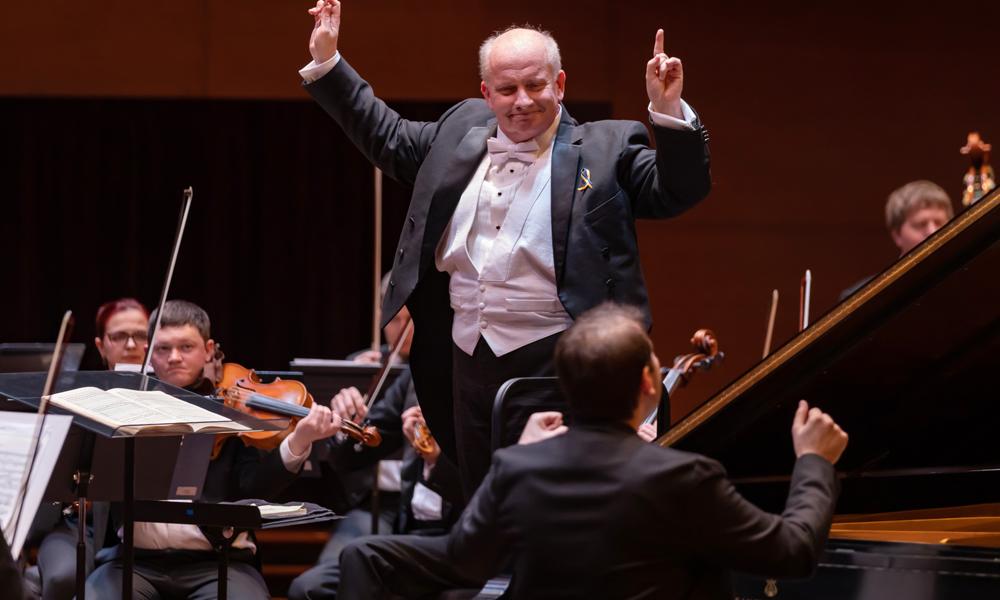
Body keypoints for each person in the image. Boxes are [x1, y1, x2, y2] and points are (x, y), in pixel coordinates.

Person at [301, 1, 712, 495]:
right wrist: (329, 63)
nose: (522, 101)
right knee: (487, 502)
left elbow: (676, 191)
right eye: (507, 89)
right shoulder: (458, 132)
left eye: (536, 85)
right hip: (466, 360)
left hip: (560, 364)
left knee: (562, 505)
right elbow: (386, 135)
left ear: (559, 84)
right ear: (486, 93)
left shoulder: (608, 147)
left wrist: (666, 110)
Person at [337, 303, 847, 599]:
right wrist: (813, 463)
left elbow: (464, 562)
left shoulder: (517, 469)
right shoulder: (685, 475)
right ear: (651, 384)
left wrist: (519, 460)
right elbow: (793, 552)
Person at [85, 299, 341, 599]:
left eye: (186, 347)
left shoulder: (233, 412)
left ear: (208, 350)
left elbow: (255, 487)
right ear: (149, 352)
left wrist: (300, 439)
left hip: (220, 562)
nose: (174, 358)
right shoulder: (126, 404)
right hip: (134, 561)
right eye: (163, 349)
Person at [288, 313, 462, 600]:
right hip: (409, 527)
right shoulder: (413, 378)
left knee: (361, 557)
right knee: (308, 589)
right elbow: (354, 452)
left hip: (459, 532)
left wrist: (437, 460)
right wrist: (347, 423)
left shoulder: (481, 381)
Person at [25, 298, 151, 600]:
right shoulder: (75, 398)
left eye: (141, 335)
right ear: (101, 345)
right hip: (76, 527)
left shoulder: (166, 400)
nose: (131, 344)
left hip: (137, 536)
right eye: (119, 336)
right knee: (63, 575)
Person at [840, 180, 954, 300]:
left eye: (939, 223)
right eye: (921, 224)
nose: (933, 232)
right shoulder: (859, 298)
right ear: (897, 235)